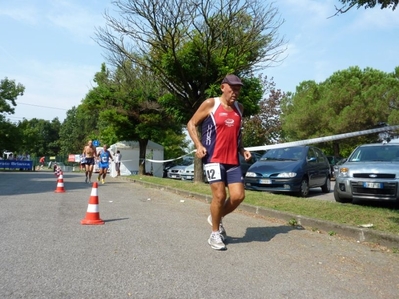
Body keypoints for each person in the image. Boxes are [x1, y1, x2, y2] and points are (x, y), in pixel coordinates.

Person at [186, 74, 252, 251]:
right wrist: (198, 145)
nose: (235, 92)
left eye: (238, 89)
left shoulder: (240, 108)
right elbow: (191, 124)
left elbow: (237, 134)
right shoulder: (211, 104)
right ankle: (215, 233)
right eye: (233, 88)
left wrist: (242, 150)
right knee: (220, 196)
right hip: (213, 158)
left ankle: (216, 215)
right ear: (223, 87)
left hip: (233, 160)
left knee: (238, 196)